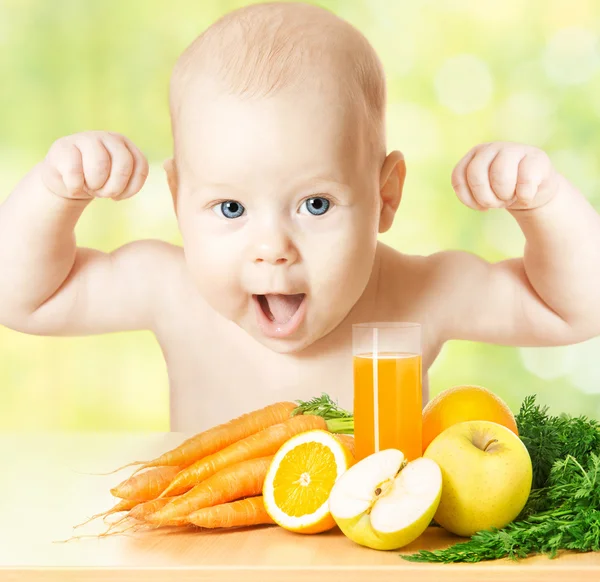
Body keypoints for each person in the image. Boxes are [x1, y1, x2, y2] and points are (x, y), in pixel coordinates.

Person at [1, 2, 599, 431]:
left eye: (315, 204)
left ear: (385, 196)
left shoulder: (415, 295)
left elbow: (577, 310)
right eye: (230, 207)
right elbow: (20, 299)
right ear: (180, 199)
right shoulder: (171, 289)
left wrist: (541, 202)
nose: (273, 247)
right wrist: (57, 191)